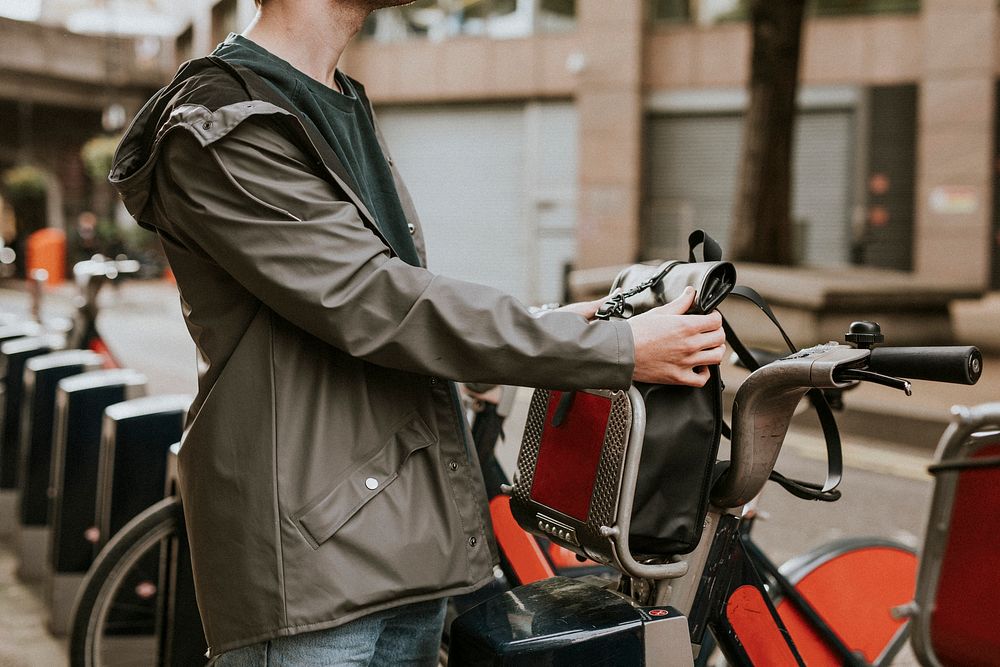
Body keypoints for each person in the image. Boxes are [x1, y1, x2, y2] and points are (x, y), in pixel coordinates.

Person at [109, 0, 726, 664]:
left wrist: (553, 327)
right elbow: (372, 300)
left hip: (397, 551)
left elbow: (385, 299)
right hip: (314, 574)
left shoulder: (333, 101)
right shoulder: (223, 124)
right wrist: (617, 349)